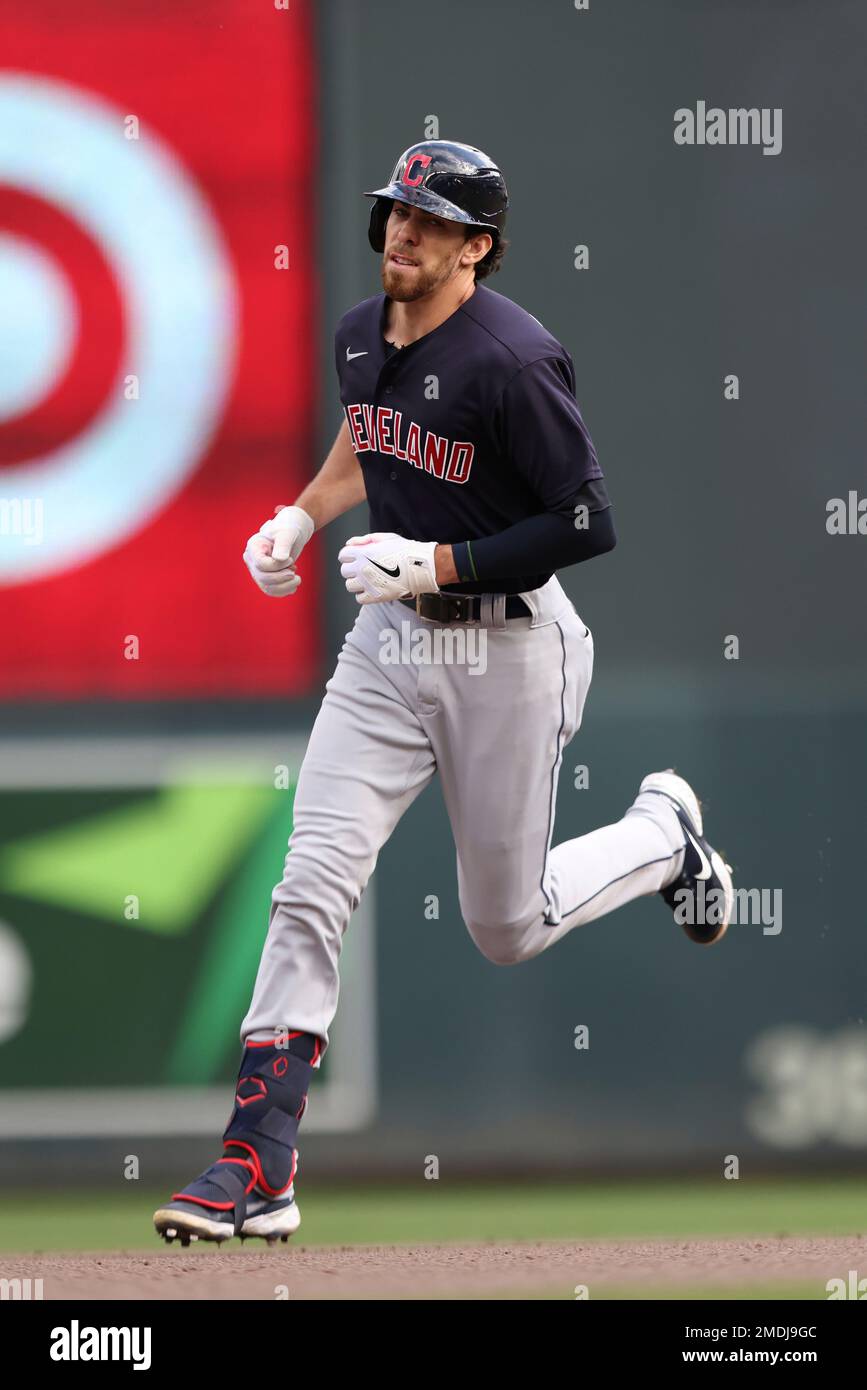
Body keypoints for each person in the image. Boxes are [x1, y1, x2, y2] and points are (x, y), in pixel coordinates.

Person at [153, 140, 732, 1247]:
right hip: (386, 651)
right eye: (394, 213)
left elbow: (585, 522)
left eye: (428, 220)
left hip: (511, 650)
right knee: (309, 881)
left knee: (505, 927)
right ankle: (256, 1163)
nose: (401, 234)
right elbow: (372, 443)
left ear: (479, 249)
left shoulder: (515, 360)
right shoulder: (362, 332)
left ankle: (663, 837)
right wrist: (302, 513)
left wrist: (432, 565)